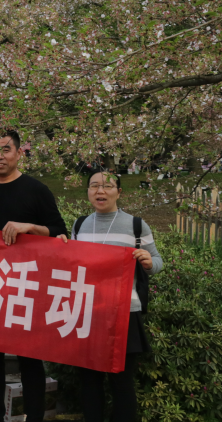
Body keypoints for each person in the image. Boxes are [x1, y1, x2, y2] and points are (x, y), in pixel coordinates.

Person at [0, 130, 67, 422]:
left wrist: (30, 228)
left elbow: (61, 234)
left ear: (19, 153)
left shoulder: (37, 191)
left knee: (30, 359)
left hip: (28, 287)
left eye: (6, 149)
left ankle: (34, 417)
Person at [68, 171, 162, 422]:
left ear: (119, 192)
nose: (100, 191)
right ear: (88, 192)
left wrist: (148, 262)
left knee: (121, 381)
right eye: (94, 186)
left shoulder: (136, 225)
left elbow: (158, 261)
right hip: (87, 313)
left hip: (124, 314)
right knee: (89, 380)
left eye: (107, 186)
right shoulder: (79, 225)